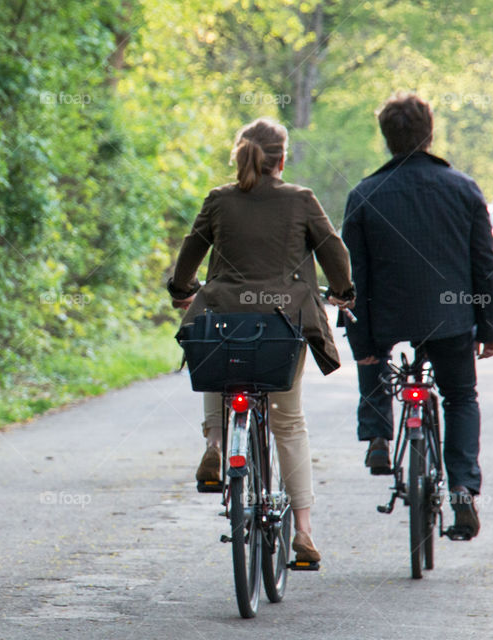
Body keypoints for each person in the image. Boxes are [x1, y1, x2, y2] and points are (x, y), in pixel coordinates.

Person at [167, 117, 354, 564]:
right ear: (281, 160)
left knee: (217, 349)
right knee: (288, 424)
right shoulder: (301, 199)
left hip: (226, 317)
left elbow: (190, 250)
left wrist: (182, 288)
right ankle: (303, 532)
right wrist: (342, 291)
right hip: (282, 325)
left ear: (240, 155)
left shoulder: (219, 200)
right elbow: (334, 250)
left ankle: (215, 446)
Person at [342, 92, 493, 540]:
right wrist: (489, 327)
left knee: (373, 355)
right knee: (460, 397)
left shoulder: (364, 194)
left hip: (386, 317)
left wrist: (362, 343)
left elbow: (356, 278)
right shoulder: (463, 188)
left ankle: (378, 435)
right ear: (430, 133)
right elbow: (484, 265)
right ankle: (462, 488)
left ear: (385, 137)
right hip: (450, 319)